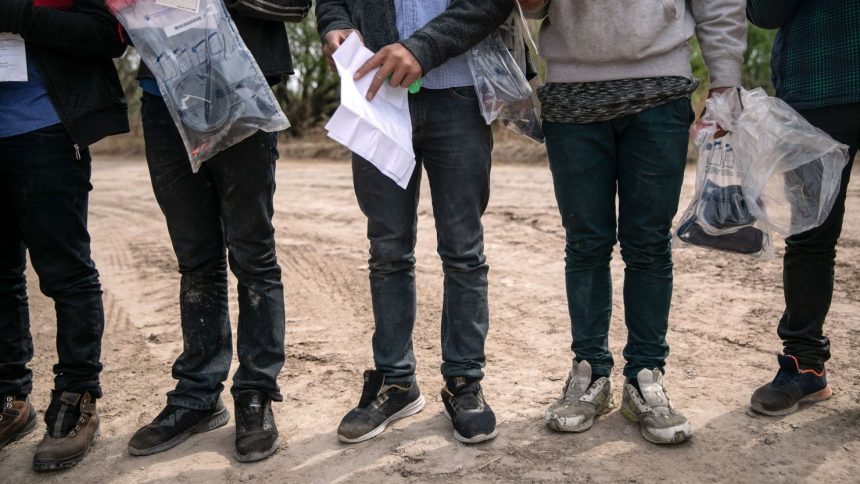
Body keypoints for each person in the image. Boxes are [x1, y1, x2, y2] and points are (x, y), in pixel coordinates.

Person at [520, 0, 746, 444]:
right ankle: (589, 375)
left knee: (648, 244)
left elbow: (718, 4)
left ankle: (645, 378)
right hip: (571, 92)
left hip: (660, 90)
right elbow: (528, 9)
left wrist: (726, 82)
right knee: (585, 242)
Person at [316, 0, 514, 444]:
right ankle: (396, 382)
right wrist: (336, 25)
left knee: (463, 249)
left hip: (458, 93)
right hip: (375, 93)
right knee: (387, 250)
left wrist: (422, 48)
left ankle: (464, 382)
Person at [125, 3, 299, 463]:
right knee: (195, 258)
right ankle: (198, 396)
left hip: (240, 79)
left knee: (253, 254)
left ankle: (256, 393)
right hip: (163, 91)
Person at [0, 0, 129, 471]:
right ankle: (9, 399)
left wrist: (16, 15)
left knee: (66, 273)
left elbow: (109, 34)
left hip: (44, 131)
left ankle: (77, 398)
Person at [746, 1, 859, 416]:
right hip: (815, 93)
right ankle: (805, 366)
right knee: (811, 236)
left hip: (814, 90)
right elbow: (763, 12)